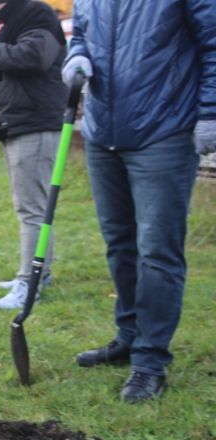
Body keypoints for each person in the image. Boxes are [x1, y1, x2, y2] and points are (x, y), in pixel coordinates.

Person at [64, 0, 216, 402]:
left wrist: (211, 112)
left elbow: (213, 42)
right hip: (101, 132)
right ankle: (129, 337)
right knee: (119, 242)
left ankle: (150, 361)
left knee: (156, 250)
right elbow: (80, 34)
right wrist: (76, 55)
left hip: (163, 130)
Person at [0, 0, 67, 309]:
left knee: (32, 211)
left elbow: (34, 58)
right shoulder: (13, 25)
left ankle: (29, 283)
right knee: (33, 209)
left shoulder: (36, 15)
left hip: (35, 127)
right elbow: (4, 89)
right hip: (20, 126)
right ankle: (40, 274)